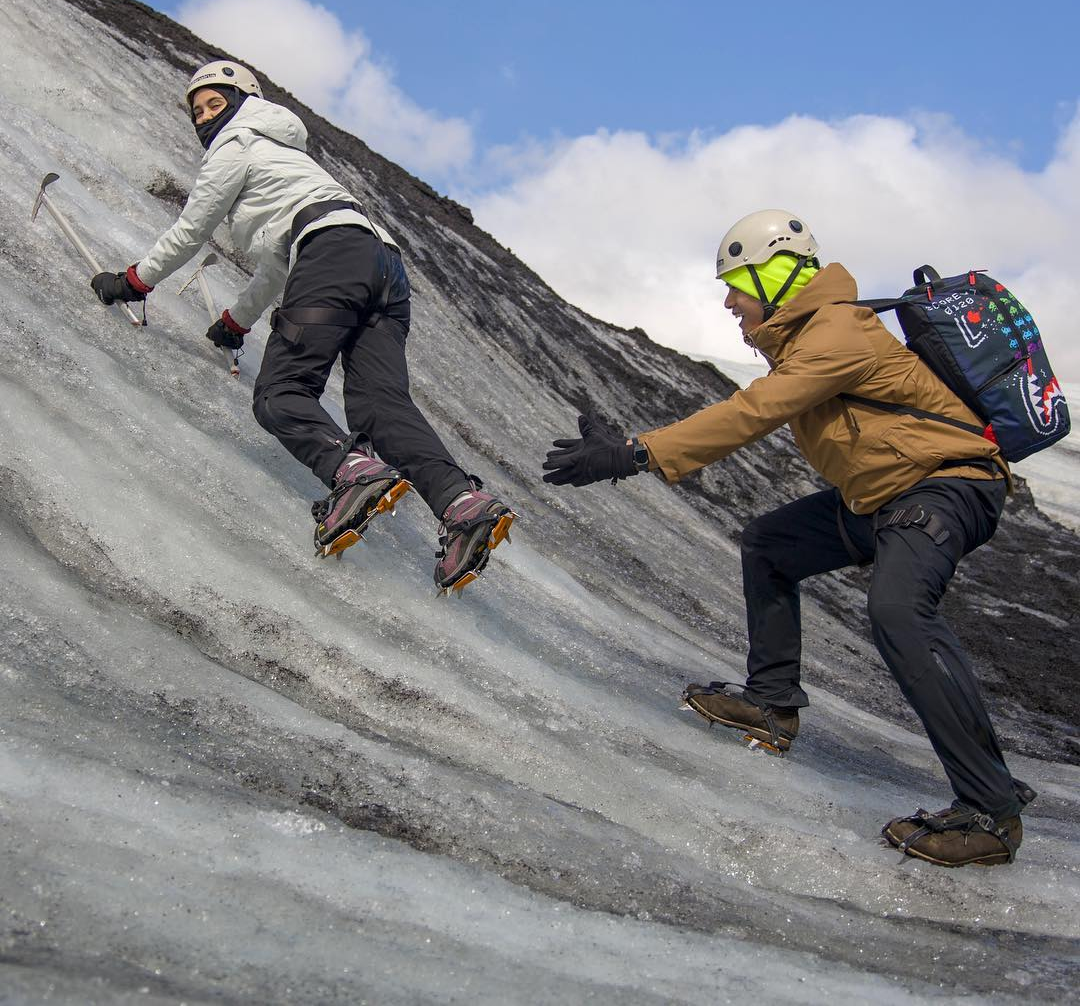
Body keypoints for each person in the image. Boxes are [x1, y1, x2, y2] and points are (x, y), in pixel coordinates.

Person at [542, 209, 1034, 867]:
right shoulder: (807, 339)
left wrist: (635, 453)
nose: (727, 300)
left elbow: (754, 411)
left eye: (737, 283)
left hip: (948, 486)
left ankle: (992, 810)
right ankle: (772, 704)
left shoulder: (835, 332)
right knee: (771, 544)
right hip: (883, 496)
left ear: (774, 277)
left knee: (897, 610)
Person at [91, 60, 514, 594]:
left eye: (214, 104)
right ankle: (463, 504)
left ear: (242, 101)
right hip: (382, 264)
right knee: (380, 407)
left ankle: (351, 473)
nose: (203, 118)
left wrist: (135, 281)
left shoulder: (237, 143)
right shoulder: (289, 157)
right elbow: (279, 262)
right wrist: (235, 320)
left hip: (332, 254)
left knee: (279, 394)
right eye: (196, 111)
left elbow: (193, 226)